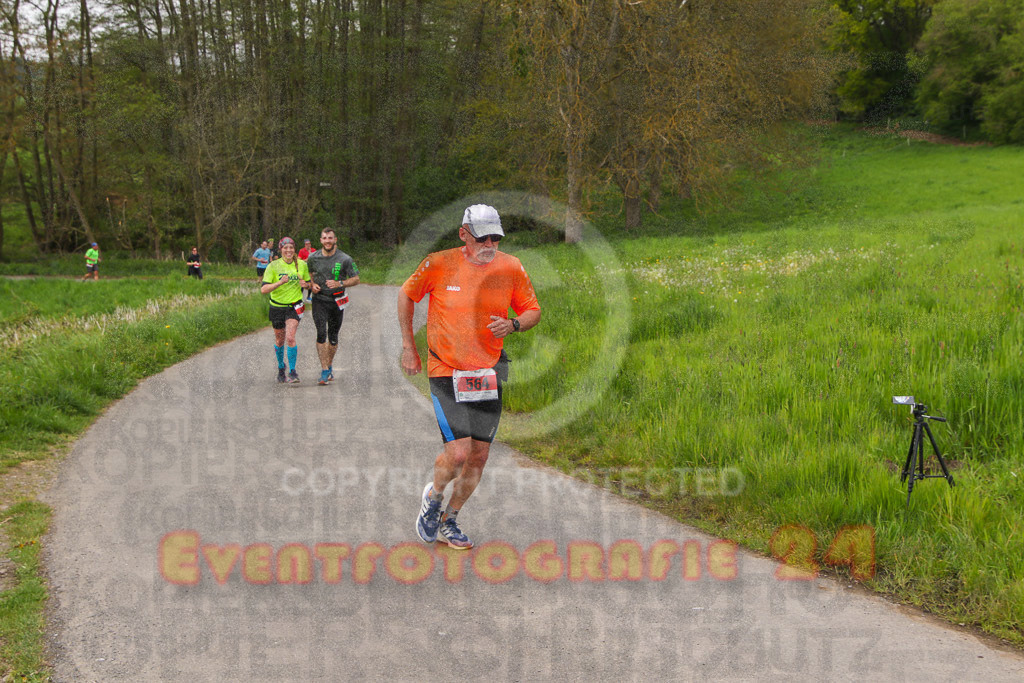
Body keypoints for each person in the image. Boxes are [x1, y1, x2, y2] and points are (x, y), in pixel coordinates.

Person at [399, 204, 541, 549]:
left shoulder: (511, 266)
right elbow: (406, 295)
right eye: (482, 237)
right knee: (459, 454)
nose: (489, 243)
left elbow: (532, 310)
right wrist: (408, 346)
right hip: (445, 369)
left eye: (496, 237)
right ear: (464, 234)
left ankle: (450, 519)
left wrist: (514, 324)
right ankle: (433, 498)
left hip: (487, 372)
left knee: (479, 456)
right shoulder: (439, 263)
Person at [306, 228, 360, 385]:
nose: (327, 241)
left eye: (330, 238)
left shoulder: (345, 259)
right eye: (324, 238)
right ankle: (324, 370)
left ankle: (329, 365)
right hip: (319, 300)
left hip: (337, 301)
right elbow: (309, 274)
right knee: (321, 333)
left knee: (333, 337)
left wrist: (340, 283)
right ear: (321, 240)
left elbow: (356, 279)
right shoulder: (312, 258)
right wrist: (312, 284)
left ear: (335, 239)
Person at [261, 237, 311, 383]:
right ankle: (281, 367)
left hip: (294, 307)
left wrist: (306, 285)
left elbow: (308, 283)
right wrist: (279, 282)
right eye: (285, 248)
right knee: (279, 339)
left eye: (291, 247)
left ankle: (293, 372)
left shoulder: (301, 264)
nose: (288, 250)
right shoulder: (273, 266)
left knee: (290, 337)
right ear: (281, 249)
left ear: (294, 249)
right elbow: (264, 289)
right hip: (276, 307)